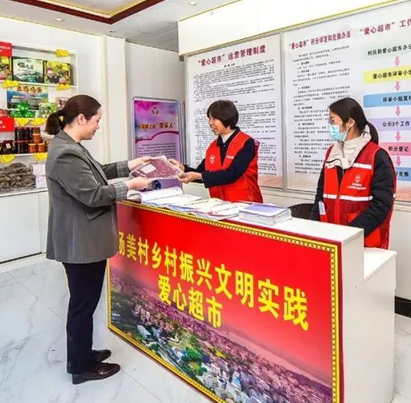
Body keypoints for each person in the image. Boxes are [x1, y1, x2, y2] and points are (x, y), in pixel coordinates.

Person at [45, 94, 153, 385]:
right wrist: (129, 185)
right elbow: (93, 195)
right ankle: (80, 367)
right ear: (81, 118)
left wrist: (130, 165)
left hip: (84, 239)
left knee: (86, 302)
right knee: (82, 305)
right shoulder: (65, 153)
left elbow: (97, 173)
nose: (97, 126)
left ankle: (84, 353)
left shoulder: (71, 146)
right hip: (80, 242)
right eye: (96, 120)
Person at [310, 97, 396, 249]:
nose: (330, 126)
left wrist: (348, 235)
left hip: (364, 244)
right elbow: (320, 196)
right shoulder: (332, 154)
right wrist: (313, 228)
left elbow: (381, 206)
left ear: (350, 122)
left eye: (332, 121)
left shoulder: (376, 156)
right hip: (331, 240)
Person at [170, 100, 263, 203]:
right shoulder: (213, 146)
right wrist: (182, 168)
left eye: (214, 119)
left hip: (246, 204)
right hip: (220, 204)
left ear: (226, 118)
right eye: (209, 119)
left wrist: (200, 176)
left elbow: (233, 174)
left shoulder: (246, 143)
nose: (210, 123)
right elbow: (201, 172)